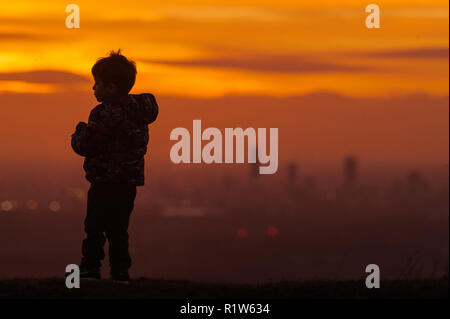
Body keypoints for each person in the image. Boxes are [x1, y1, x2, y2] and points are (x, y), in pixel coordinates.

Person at [71, 49, 159, 284]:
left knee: (95, 226)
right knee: (119, 229)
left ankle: (90, 269)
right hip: (128, 183)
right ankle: (121, 272)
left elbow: (86, 145)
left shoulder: (104, 113)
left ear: (110, 88)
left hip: (103, 181)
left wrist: (79, 131)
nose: (93, 89)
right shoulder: (139, 113)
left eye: (96, 84)